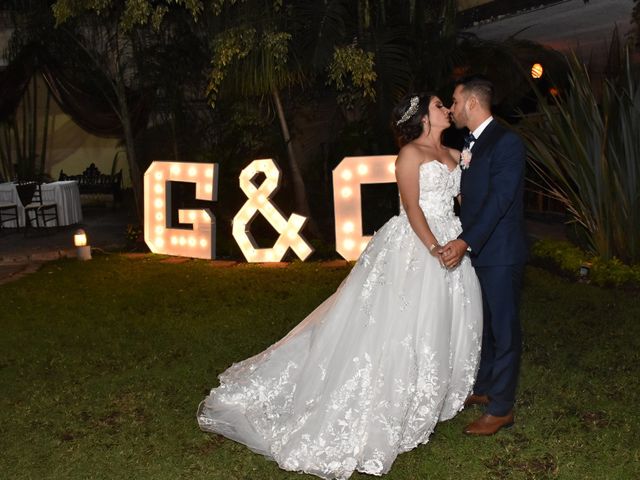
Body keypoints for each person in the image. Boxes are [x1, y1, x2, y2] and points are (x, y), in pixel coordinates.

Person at [197, 93, 482, 479]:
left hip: (453, 240)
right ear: (421, 119)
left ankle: (427, 398)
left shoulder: (454, 152)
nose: (445, 108)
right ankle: (387, 401)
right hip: (416, 247)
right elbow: (412, 207)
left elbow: (464, 199)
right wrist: (434, 248)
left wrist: (465, 237)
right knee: (396, 328)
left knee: (442, 323)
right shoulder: (410, 155)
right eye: (437, 105)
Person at [442, 75, 528, 436]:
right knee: (487, 323)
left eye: (455, 101)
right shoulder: (469, 142)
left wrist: (465, 241)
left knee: (505, 329)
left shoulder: (506, 142)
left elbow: (500, 201)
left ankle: (502, 408)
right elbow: (473, 194)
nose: (451, 108)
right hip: (480, 249)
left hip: (501, 251)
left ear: (472, 103)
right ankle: (484, 387)